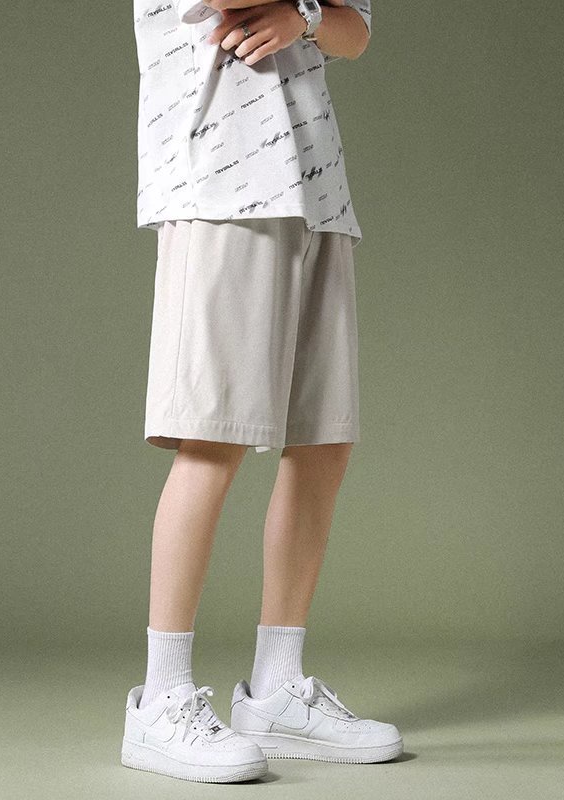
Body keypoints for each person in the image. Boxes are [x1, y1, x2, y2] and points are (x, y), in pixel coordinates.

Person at [122, 0, 402, 783]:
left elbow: (355, 31)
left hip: (316, 185)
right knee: (211, 440)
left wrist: (302, 14)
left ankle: (277, 691)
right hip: (219, 184)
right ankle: (160, 703)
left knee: (323, 440)